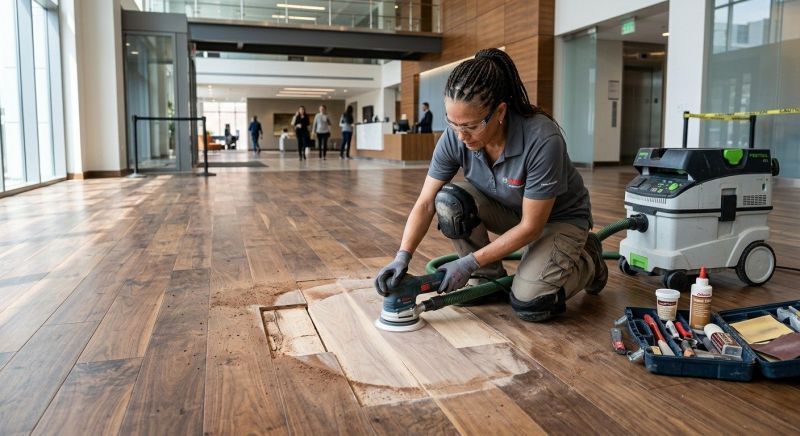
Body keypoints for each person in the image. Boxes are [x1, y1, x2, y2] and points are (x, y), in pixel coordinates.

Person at [374, 48, 607, 322]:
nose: (461, 136)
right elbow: (426, 203)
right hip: (514, 213)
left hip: (557, 220)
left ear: (500, 111)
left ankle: (589, 258)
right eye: (452, 124)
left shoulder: (542, 138)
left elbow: (532, 227)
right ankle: (487, 280)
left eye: (472, 126)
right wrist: (402, 256)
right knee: (449, 201)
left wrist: (468, 262)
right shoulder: (456, 137)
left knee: (533, 304)